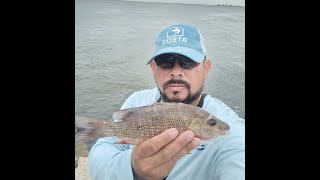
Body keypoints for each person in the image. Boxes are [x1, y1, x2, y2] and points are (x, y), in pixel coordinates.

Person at [88, 23, 245, 180]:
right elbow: (99, 156)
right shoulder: (137, 100)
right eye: (165, 61)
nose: (176, 72)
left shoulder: (232, 131)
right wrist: (133, 168)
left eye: (188, 61)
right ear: (153, 68)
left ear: (206, 68)